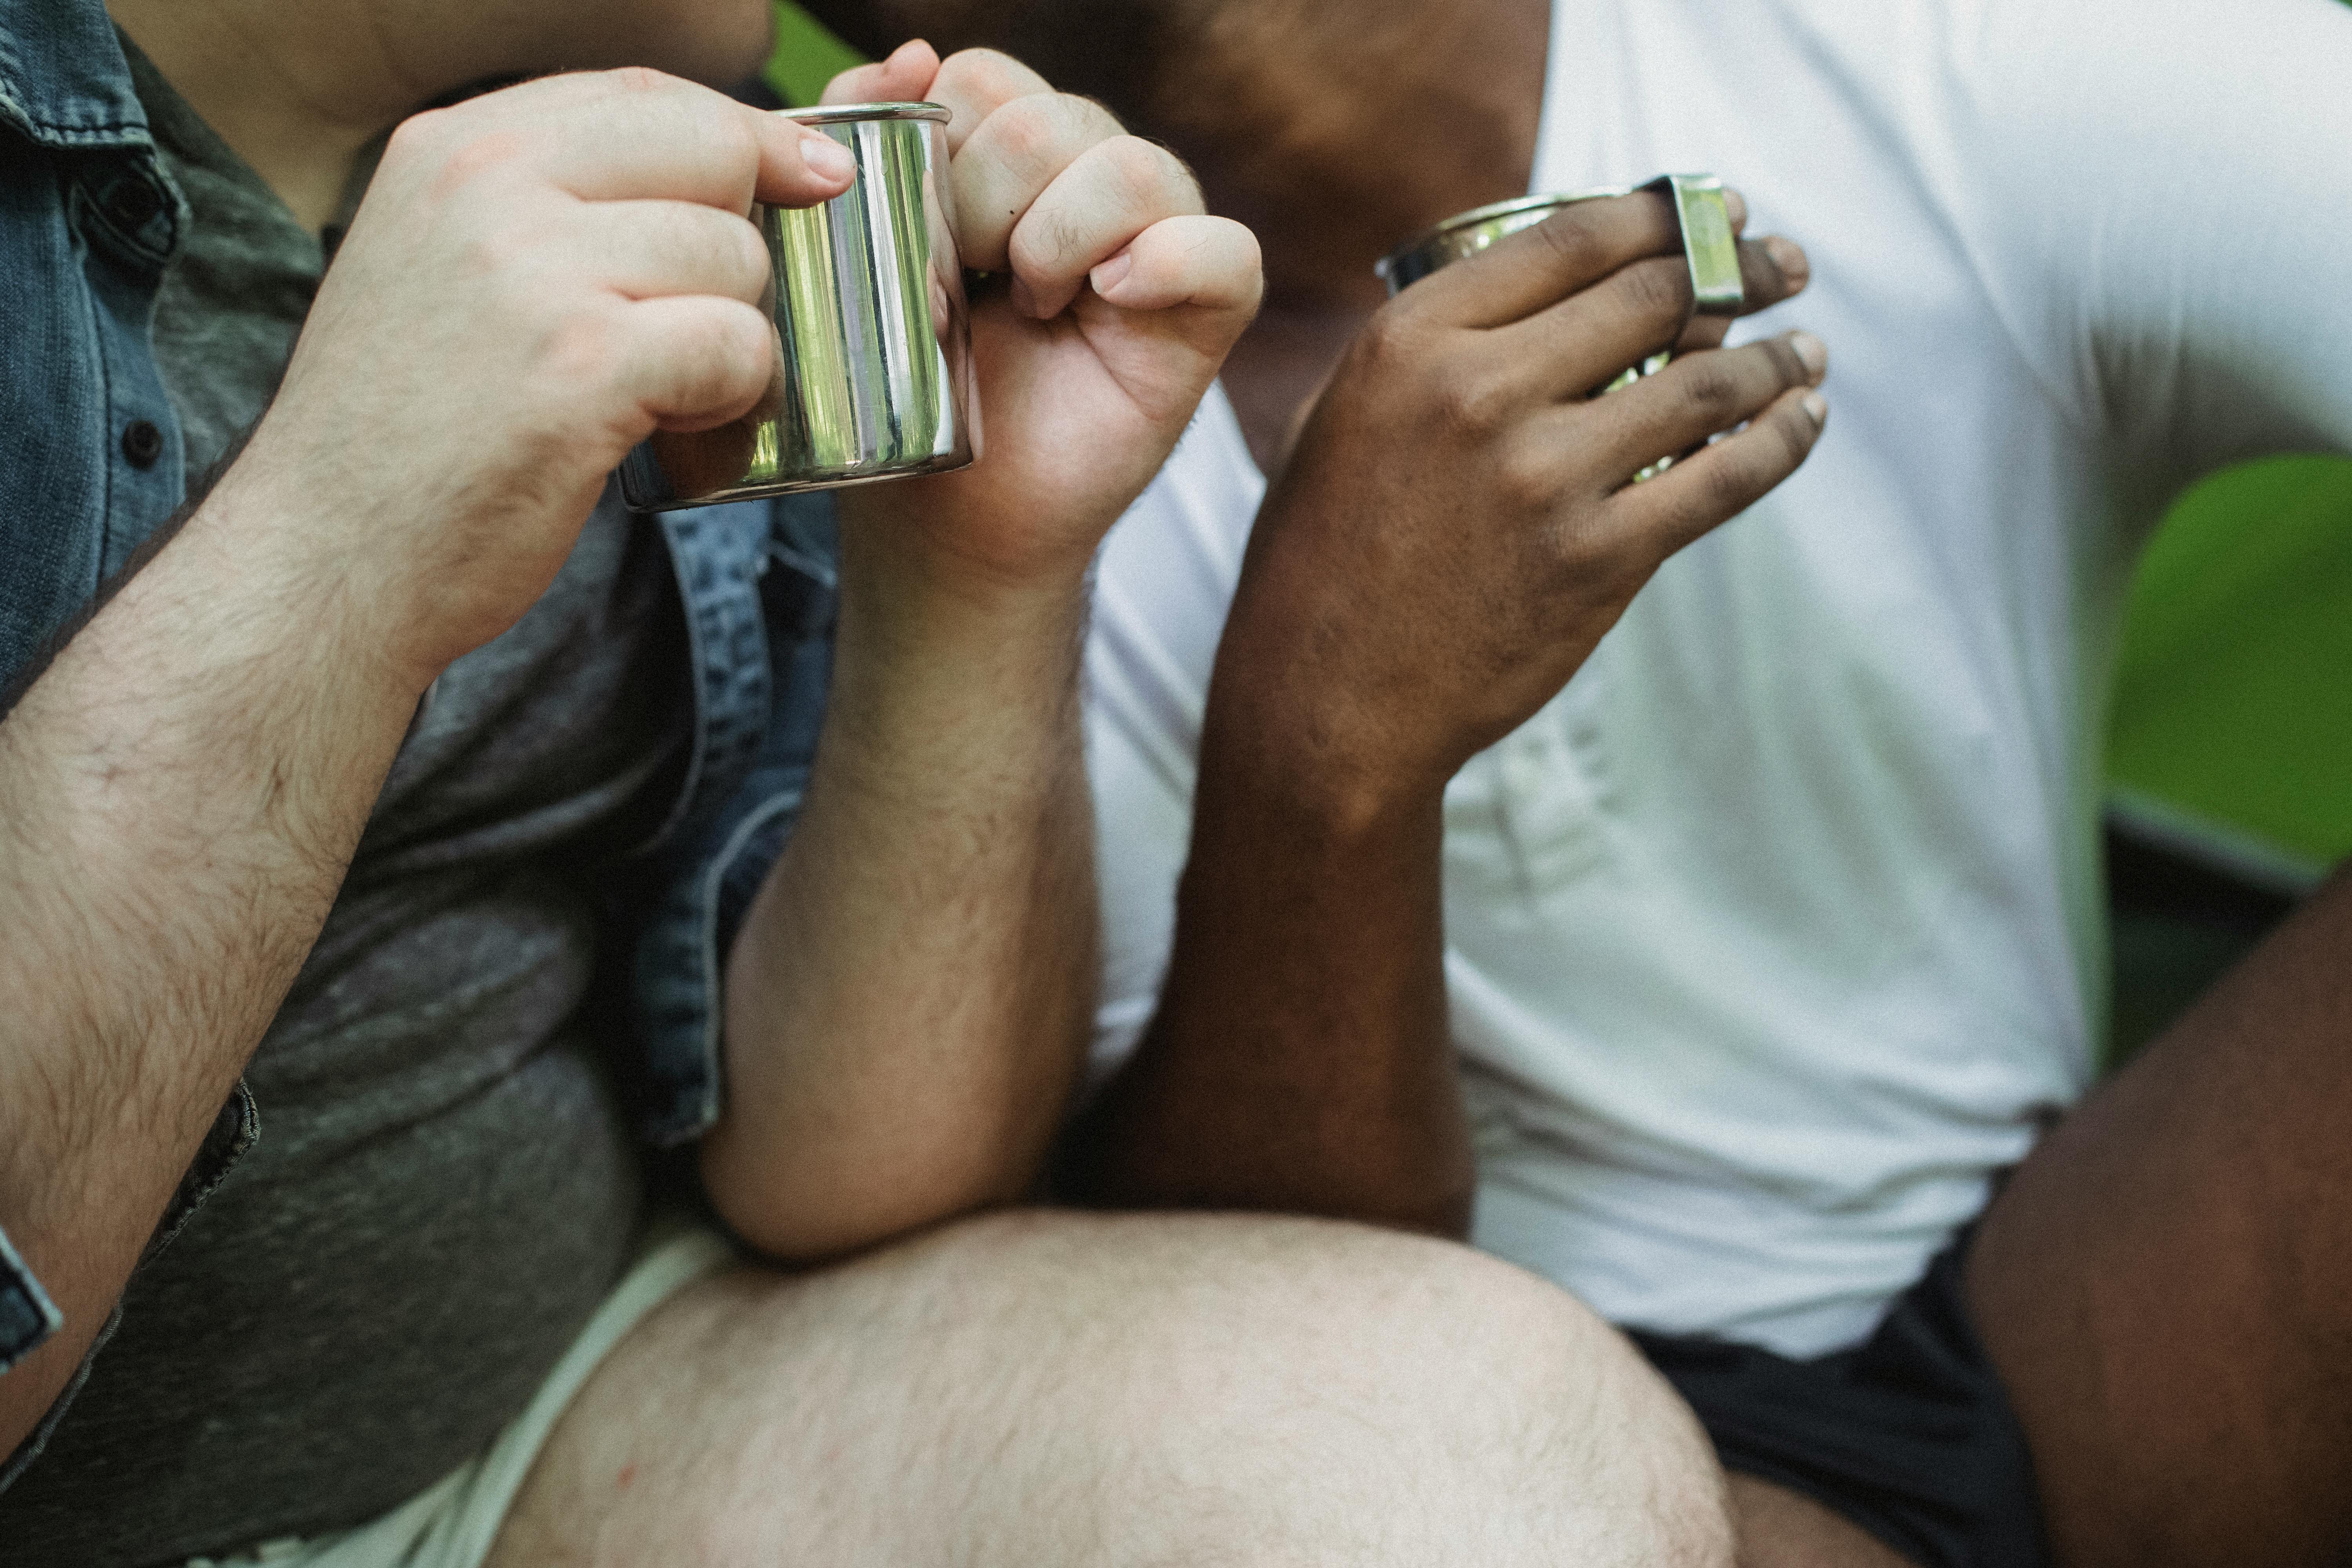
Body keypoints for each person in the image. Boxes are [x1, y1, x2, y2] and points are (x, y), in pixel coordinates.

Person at [0, 2, 1831, 1564]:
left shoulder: (686, 156)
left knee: (1478, 1455)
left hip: (546, 1431)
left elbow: (848, 1180)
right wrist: (338, 546)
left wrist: (978, 578)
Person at [805, 0, 2352, 1564]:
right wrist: (1322, 749)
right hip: (1477, 1443)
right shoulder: (859, 362)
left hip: (2098, 1291)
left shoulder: (1926, 58)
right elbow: (1254, 1364)